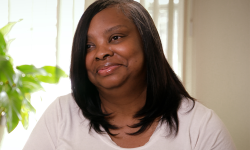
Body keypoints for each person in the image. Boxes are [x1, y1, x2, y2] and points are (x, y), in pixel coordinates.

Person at [23, 0, 236, 149]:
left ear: (146, 42)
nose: (101, 52)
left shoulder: (200, 125)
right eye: (88, 45)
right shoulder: (61, 115)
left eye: (115, 37)